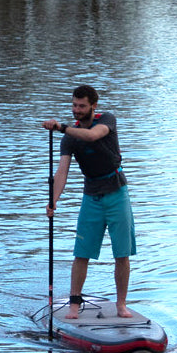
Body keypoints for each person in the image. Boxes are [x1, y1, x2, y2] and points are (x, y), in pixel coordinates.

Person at [42, 85, 136, 320]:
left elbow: (93, 136)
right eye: (74, 105)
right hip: (91, 197)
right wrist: (53, 201)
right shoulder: (69, 139)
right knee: (81, 253)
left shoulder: (107, 120)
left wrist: (61, 127)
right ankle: (74, 306)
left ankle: (121, 305)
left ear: (93, 106)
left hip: (117, 194)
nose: (76, 110)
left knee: (121, 253)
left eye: (82, 106)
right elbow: (61, 173)